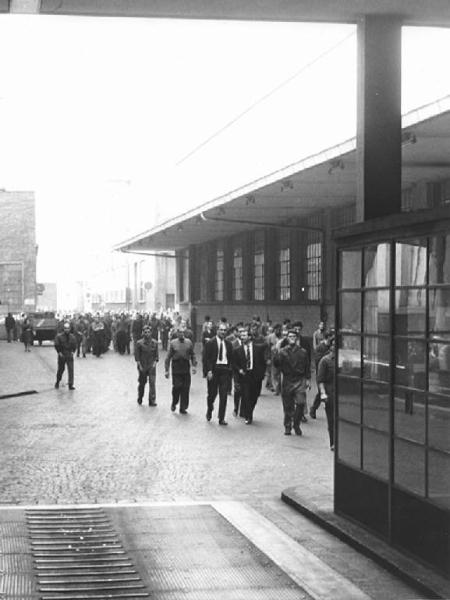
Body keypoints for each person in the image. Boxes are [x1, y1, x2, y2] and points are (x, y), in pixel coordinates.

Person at [274, 329, 311, 435]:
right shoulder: (283, 351)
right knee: (287, 405)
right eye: (290, 337)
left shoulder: (303, 352)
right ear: (287, 338)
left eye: (294, 337)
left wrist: (308, 379)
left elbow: (307, 367)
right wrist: (276, 352)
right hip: (287, 380)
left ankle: (296, 423)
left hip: (299, 380)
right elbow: (276, 364)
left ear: (297, 338)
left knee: (300, 403)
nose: (292, 339)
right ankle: (287, 426)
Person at [232, 327, 267, 424]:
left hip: (256, 375)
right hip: (244, 375)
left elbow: (262, 362)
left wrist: (262, 373)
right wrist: (239, 370)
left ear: (250, 337)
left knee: (254, 396)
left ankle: (249, 410)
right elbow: (234, 363)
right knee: (246, 395)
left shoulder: (258, 348)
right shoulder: (237, 350)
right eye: (241, 335)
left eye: (244, 335)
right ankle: (249, 416)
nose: (242, 337)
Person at [204, 321, 233, 425]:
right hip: (214, 370)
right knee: (212, 394)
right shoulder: (210, 343)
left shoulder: (229, 344)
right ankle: (209, 408)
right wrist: (208, 371)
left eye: (225, 330)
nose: (223, 332)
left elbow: (231, 359)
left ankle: (221, 418)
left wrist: (230, 371)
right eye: (221, 330)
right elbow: (206, 359)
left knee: (224, 395)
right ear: (217, 331)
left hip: (224, 371)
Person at [164, 323, 197, 413]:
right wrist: (167, 370)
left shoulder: (188, 342)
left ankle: (183, 407)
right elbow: (168, 357)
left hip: (186, 367)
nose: (181, 334)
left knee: (186, 388)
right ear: (177, 333)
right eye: (179, 332)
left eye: (183, 332)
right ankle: (174, 402)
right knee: (177, 386)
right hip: (176, 367)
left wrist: (194, 365)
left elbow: (193, 354)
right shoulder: (173, 343)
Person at [317, 339, 335, 450]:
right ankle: (333, 443)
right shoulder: (325, 361)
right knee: (332, 419)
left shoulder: (345, 360)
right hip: (330, 393)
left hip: (343, 395)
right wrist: (323, 393)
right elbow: (320, 380)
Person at [135, 325, 159, 406]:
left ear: (151, 333)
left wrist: (154, 364)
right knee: (142, 383)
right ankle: (140, 397)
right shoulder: (139, 343)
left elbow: (156, 356)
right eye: (145, 332)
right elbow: (137, 357)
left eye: (149, 332)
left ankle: (152, 401)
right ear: (143, 333)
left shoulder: (155, 343)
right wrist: (140, 366)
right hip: (142, 366)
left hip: (151, 366)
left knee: (152, 383)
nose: (147, 334)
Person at [54, 321, 77, 389]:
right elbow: (57, 345)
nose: (67, 330)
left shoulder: (72, 337)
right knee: (61, 369)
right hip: (62, 354)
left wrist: (73, 352)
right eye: (65, 328)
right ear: (63, 329)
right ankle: (58, 381)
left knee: (71, 369)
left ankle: (70, 384)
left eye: (68, 328)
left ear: (70, 329)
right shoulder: (59, 336)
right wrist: (59, 353)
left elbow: (74, 345)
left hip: (69, 354)